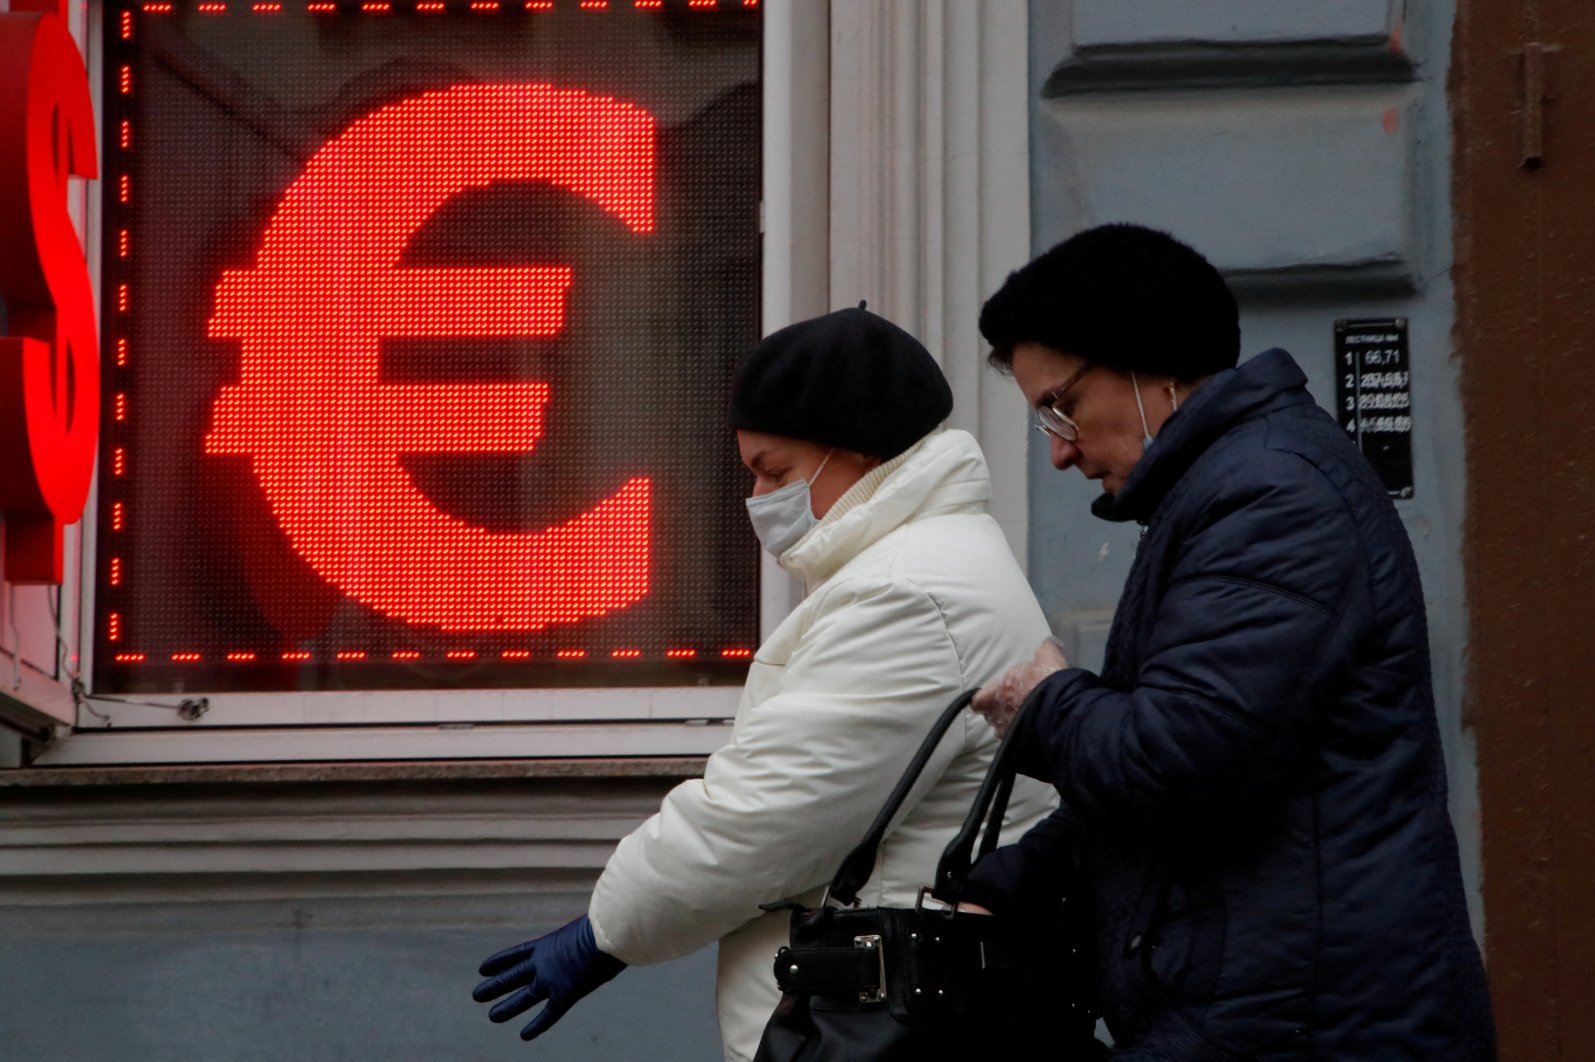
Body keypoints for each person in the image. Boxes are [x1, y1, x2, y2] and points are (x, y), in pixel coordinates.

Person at [964, 224, 1497, 1059]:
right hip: (1271, 1009)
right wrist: (1006, 888)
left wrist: (1048, 706)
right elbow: (1200, 761)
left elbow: (1180, 756)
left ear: (1150, 365)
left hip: (1308, 1026)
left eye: (1060, 405)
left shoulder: (1268, 496)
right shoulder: (1227, 488)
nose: (1060, 450)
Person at [473, 306, 1058, 1060]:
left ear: (855, 450)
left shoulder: (908, 593)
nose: (759, 500)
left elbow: (765, 818)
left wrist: (609, 930)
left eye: (774, 472)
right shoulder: (930, 566)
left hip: (879, 1028)